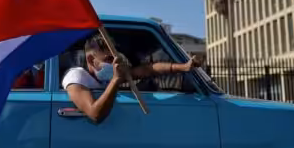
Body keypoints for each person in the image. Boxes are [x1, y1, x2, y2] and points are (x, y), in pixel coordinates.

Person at [61, 33, 200, 123]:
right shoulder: (76, 77)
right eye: (109, 59)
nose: (114, 63)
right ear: (91, 60)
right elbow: (95, 115)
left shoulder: (107, 75)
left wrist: (183, 67)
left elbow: (147, 70)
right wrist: (116, 80)